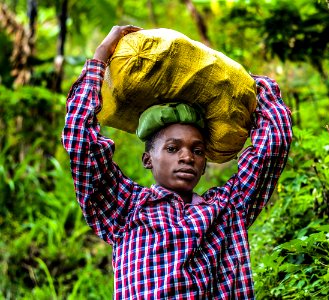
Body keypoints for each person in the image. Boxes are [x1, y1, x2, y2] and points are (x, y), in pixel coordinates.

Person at [62, 25, 292, 299]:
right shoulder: (126, 210)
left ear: (205, 162)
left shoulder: (228, 209)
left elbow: (273, 144)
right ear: (147, 158)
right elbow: (81, 142)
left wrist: (246, 86)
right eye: (172, 148)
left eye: (197, 151)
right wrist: (100, 58)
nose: (186, 156)